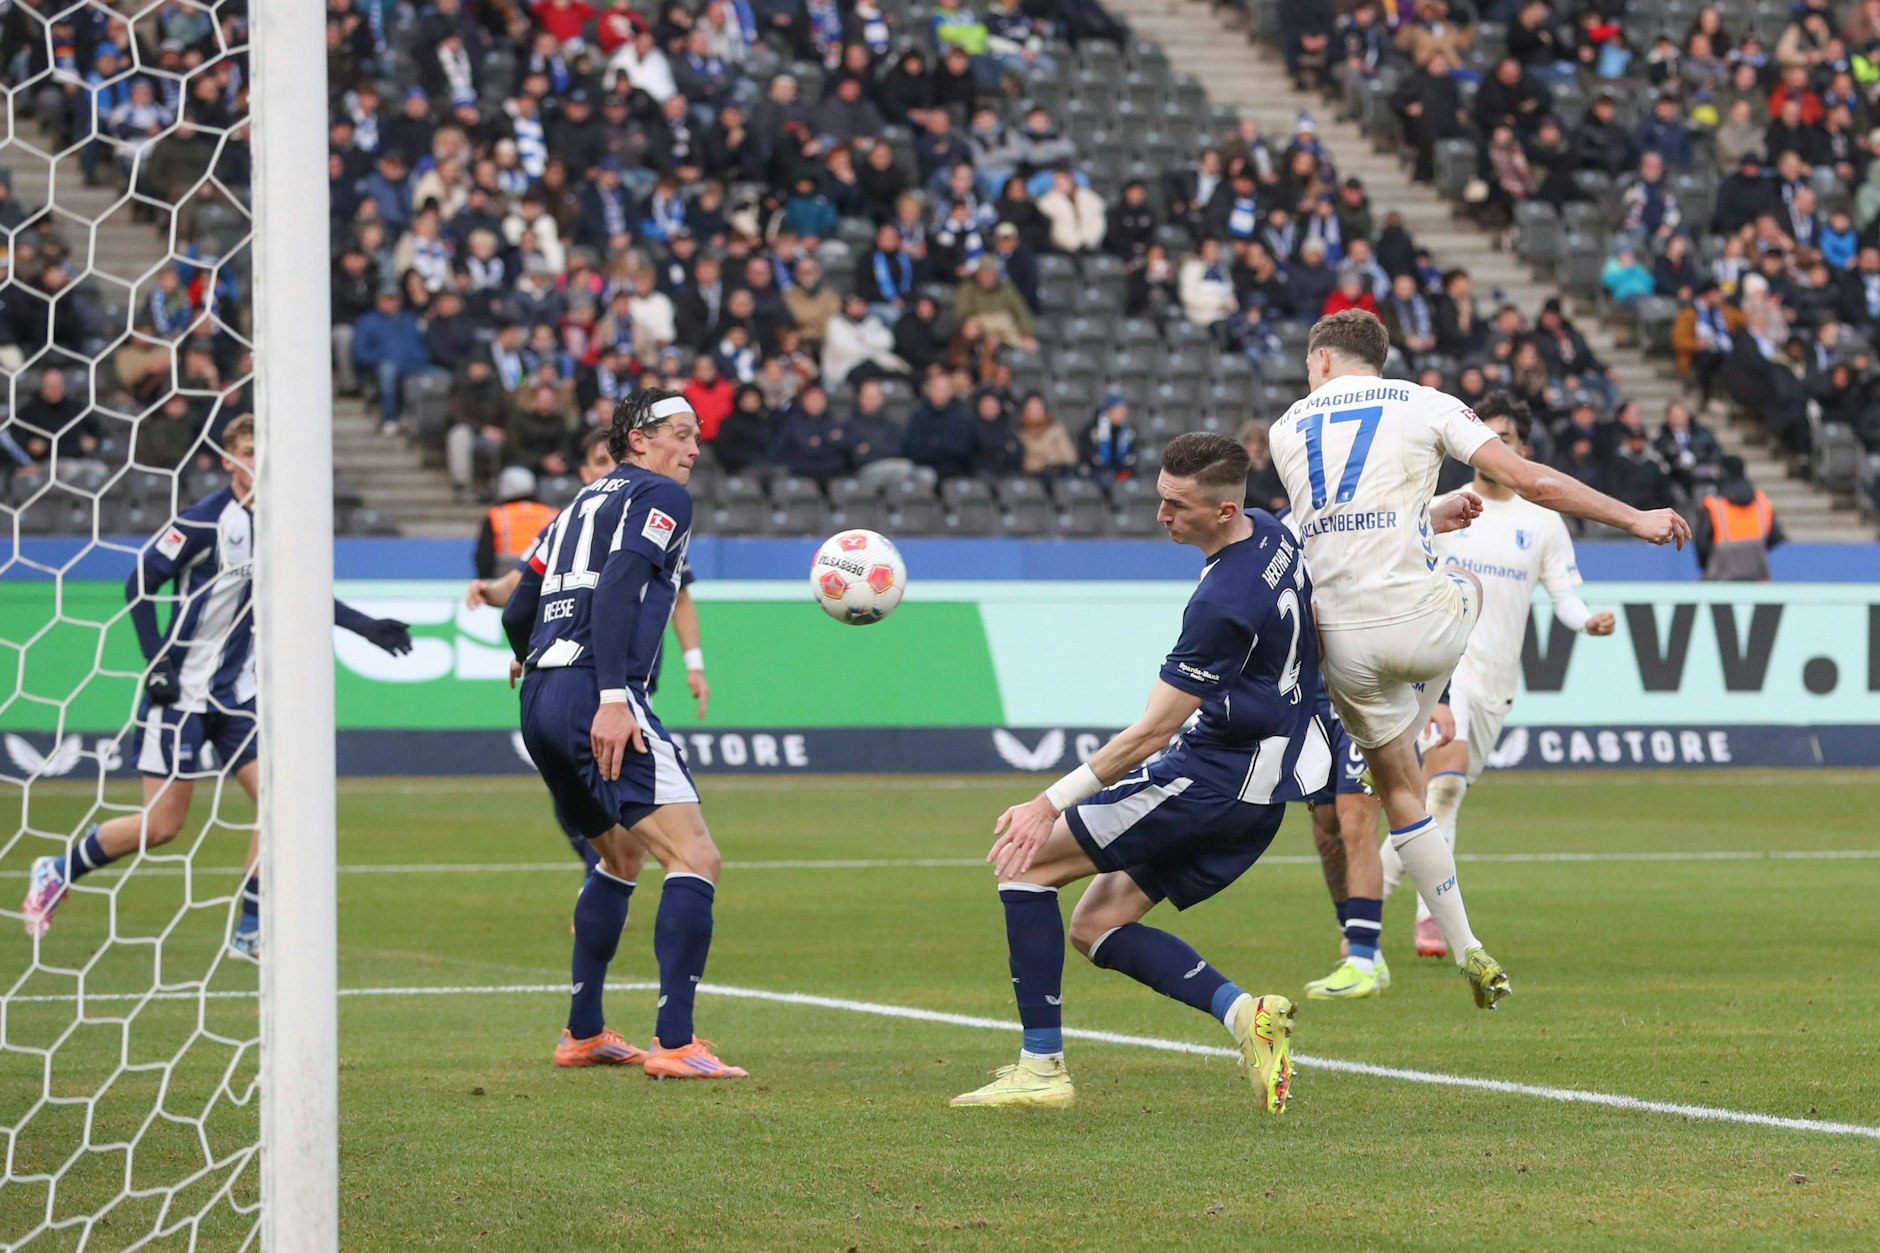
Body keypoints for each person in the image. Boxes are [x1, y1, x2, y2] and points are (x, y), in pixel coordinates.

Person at [1268, 311, 1689, 1007]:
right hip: (1427, 631)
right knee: (1462, 583)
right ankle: (1460, 939)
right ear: (1381, 358)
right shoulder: (1423, 401)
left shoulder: (1288, 427)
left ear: (1319, 362)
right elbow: (1530, 479)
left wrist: (1426, 518)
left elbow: (1328, 528)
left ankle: (1424, 934)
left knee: (1398, 793)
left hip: (1341, 646)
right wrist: (1635, 517)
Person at [950, 434, 1322, 1111]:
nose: (1161, 515)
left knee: (1024, 866)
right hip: (1260, 790)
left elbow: (1153, 730)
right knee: (1097, 925)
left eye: (1176, 505)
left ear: (1223, 509)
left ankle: (1041, 1068)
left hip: (1210, 780)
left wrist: (1046, 803)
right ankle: (1247, 1015)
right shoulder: (1269, 532)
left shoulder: (1222, 601)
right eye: (1161, 498)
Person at [22, 418, 415, 953]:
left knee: (283, 808)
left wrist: (365, 627)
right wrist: (155, 659)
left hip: (237, 696)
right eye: (249, 452)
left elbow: (300, 592)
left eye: (264, 451)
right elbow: (142, 580)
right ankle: (57, 869)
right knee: (162, 826)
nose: (258, 461)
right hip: (179, 694)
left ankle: (250, 930)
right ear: (229, 460)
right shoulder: (206, 522)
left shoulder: (282, 522)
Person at [499, 389, 744, 1078]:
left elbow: (521, 605)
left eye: (697, 437)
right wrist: (612, 697)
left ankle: (583, 1031)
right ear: (637, 438)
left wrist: (531, 652)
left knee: (620, 857)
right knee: (696, 857)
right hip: (598, 694)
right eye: (680, 434)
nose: (693, 449)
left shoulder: (575, 505)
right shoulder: (662, 498)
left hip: (542, 695)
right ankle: (676, 1042)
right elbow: (617, 587)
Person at [1378, 393, 1616, 959]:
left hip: (1494, 685)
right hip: (1437, 673)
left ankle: (1364, 902)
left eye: (1506, 438)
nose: (1495, 446)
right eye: (1488, 435)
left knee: (1436, 799)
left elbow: (1563, 597)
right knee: (1446, 789)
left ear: (1524, 449)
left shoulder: (1542, 522)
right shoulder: (1441, 508)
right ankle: (1418, 921)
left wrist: (1588, 622)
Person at [467, 429, 709, 872]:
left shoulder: (645, 518)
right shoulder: (570, 522)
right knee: (682, 850)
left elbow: (681, 596)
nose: (609, 471)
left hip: (618, 686)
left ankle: (606, 880)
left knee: (610, 815)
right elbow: (518, 591)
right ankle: (616, 876)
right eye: (599, 463)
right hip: (590, 682)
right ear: (586, 472)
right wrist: (492, 594)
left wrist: (695, 663)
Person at [1695, 456, 1783, 580]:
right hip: (1757, 581)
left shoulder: (1713, 505)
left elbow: (1701, 544)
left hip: (1720, 582)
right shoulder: (1761, 502)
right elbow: (1776, 536)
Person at [474, 465, 559, 579]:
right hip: (545, 577)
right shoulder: (553, 513)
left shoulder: (496, 514)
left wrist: (486, 582)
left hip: (506, 578)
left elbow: (484, 556)